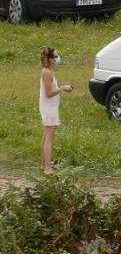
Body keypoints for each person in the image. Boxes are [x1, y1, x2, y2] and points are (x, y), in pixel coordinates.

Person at [38, 46, 71, 175]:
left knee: (46, 135)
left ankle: (44, 163)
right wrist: (63, 88)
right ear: (51, 59)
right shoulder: (46, 72)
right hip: (48, 107)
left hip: (51, 106)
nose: (58, 58)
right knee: (49, 137)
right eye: (56, 56)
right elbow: (49, 93)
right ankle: (47, 167)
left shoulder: (50, 71)